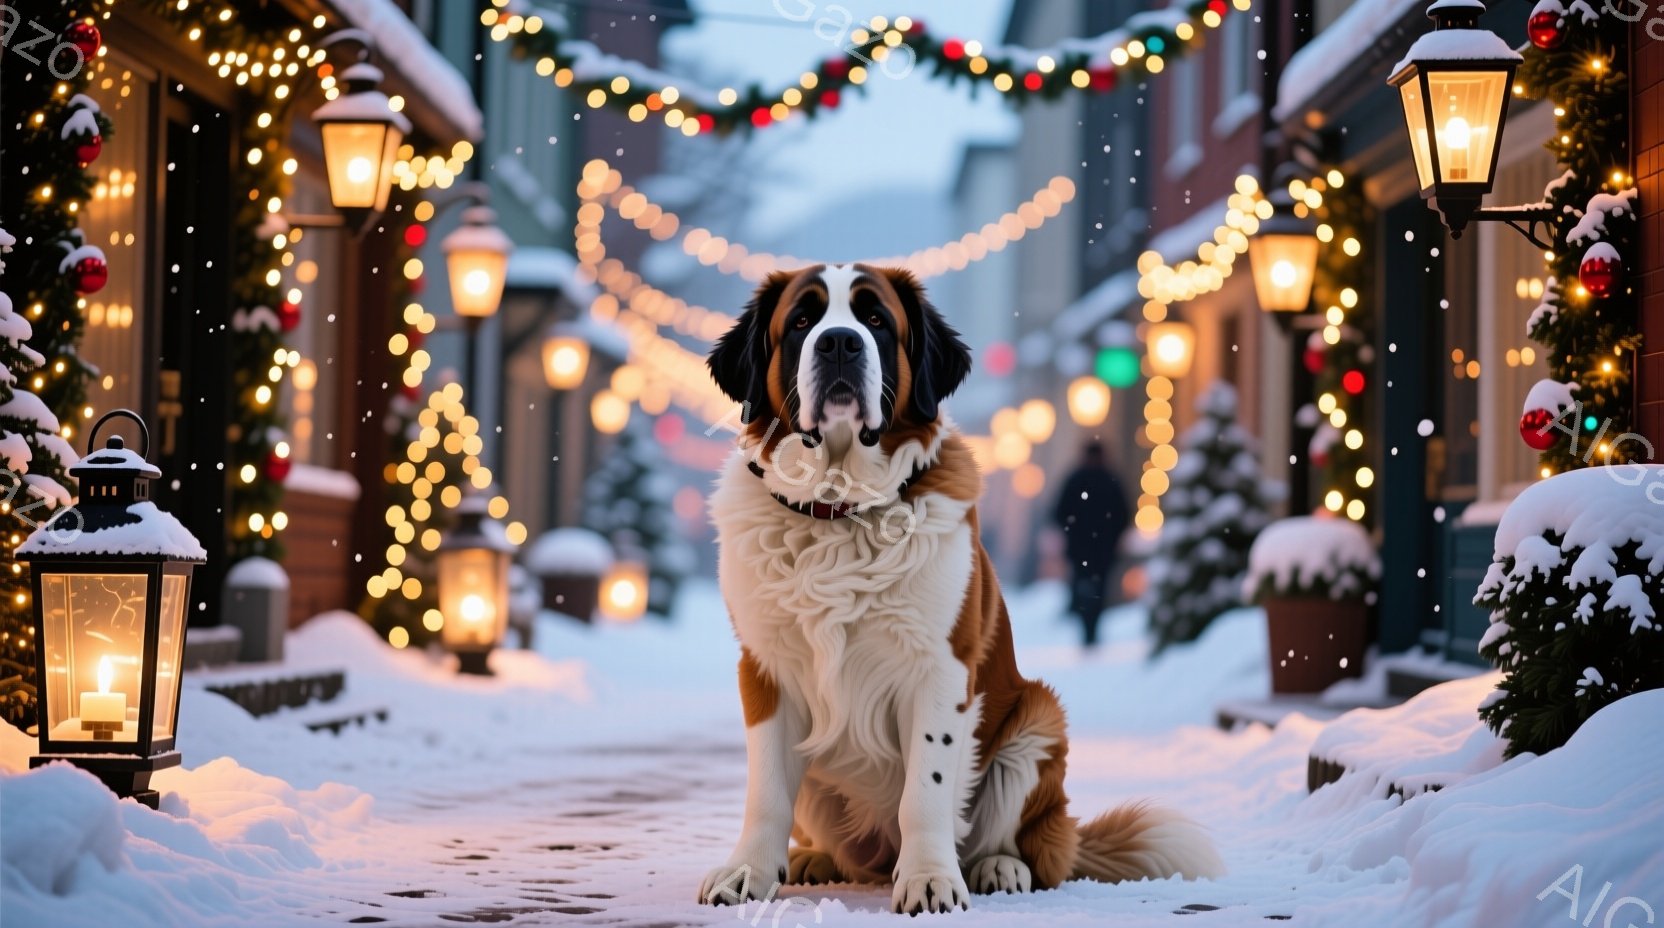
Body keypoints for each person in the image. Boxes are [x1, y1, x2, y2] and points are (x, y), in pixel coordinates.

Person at [1052, 441, 1131, 648]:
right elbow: (1123, 515)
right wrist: (1111, 536)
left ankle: (1087, 627)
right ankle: (1091, 628)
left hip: (1082, 549)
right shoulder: (1110, 480)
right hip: (1102, 550)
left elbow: (1059, 513)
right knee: (1098, 589)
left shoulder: (1076, 479)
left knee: (1084, 586)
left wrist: (1072, 532)